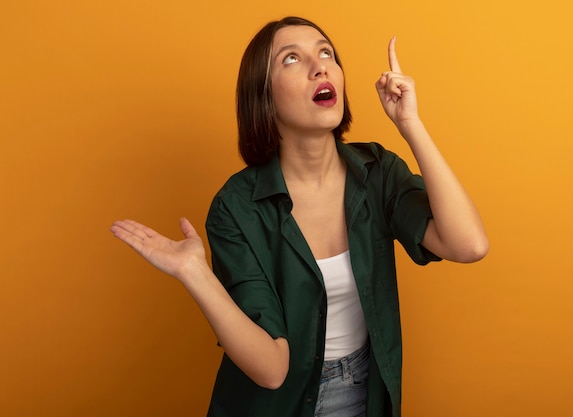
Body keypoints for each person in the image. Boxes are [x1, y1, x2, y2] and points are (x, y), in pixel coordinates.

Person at [111, 16, 488, 417]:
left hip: (366, 392)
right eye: (292, 59)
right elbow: (271, 370)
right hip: (275, 405)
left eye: (325, 52)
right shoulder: (235, 208)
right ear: (264, 96)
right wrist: (195, 273)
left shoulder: (376, 171)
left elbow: (469, 245)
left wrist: (411, 125)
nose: (319, 65)